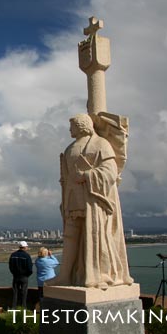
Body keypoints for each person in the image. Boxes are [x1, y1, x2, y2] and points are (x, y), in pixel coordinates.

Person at [56, 113, 133, 289]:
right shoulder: (69, 149)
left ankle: (96, 274)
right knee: (70, 235)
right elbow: (66, 179)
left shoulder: (100, 144)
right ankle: (65, 275)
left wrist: (86, 176)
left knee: (95, 235)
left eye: (72, 125)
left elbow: (110, 171)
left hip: (93, 198)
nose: (70, 129)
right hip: (73, 198)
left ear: (82, 125)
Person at [8, 241, 33, 309]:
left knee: (15, 292)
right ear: (25, 247)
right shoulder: (27, 256)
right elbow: (30, 268)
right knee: (24, 293)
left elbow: (10, 266)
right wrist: (27, 275)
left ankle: (14, 307)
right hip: (24, 277)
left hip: (15, 276)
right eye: (27, 247)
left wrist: (13, 273)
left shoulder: (13, 255)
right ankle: (23, 308)